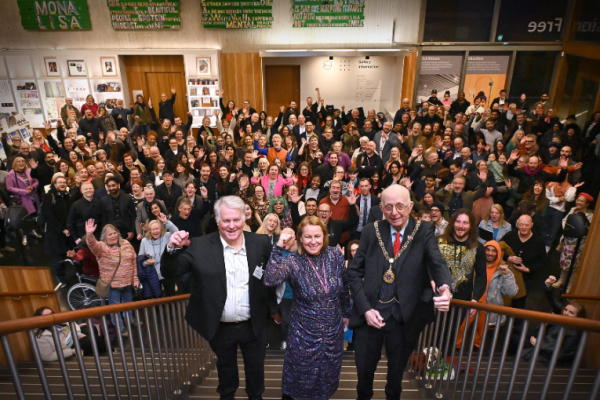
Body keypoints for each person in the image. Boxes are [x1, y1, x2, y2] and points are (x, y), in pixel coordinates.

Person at [160, 196, 273, 400]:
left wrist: (273, 312)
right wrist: (171, 249)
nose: (232, 226)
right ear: (217, 220)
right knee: (226, 375)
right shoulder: (200, 245)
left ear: (244, 218)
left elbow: (271, 278)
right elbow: (171, 271)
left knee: (256, 373)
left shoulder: (261, 243)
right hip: (220, 327)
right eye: (226, 220)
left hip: (254, 325)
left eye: (236, 220)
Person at [348, 184, 452, 400]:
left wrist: (444, 286)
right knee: (364, 376)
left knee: (396, 378)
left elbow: (436, 261)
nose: (394, 213)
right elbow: (354, 273)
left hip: (404, 318)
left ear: (411, 206)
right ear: (381, 207)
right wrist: (366, 309)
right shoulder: (370, 231)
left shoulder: (424, 230)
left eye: (400, 206)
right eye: (388, 207)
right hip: (371, 316)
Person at [264, 216, 350, 400]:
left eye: (317, 236)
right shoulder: (294, 260)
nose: (313, 241)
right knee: (300, 379)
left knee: (325, 380)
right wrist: (278, 246)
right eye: (308, 237)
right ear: (300, 239)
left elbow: (344, 287)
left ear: (325, 237)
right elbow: (270, 279)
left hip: (332, 333)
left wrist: (347, 314)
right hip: (303, 333)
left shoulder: (335, 255)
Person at [456, 240, 518, 349]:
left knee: (481, 335)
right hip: (471, 302)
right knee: (460, 327)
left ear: (498, 253)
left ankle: (475, 354)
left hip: (488, 307)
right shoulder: (473, 264)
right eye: (487, 250)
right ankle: (454, 349)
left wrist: (507, 274)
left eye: (494, 251)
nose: (490, 253)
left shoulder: (502, 269)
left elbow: (511, 292)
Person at [85, 219, 139, 334]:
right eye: (110, 234)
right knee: (115, 308)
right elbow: (93, 245)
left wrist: (135, 278)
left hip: (128, 282)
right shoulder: (102, 247)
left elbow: (134, 260)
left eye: (115, 233)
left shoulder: (126, 243)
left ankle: (129, 319)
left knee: (128, 304)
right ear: (105, 236)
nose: (113, 236)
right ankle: (120, 326)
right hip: (112, 285)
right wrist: (89, 235)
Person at [438, 209, 487, 303]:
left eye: (465, 223)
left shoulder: (477, 248)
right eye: (458, 222)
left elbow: (481, 276)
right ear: (453, 223)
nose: (461, 226)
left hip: (462, 302)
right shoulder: (439, 242)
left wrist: (475, 298)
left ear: (471, 226)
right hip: (437, 298)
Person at [502, 214, 546, 309]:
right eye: (521, 224)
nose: (524, 227)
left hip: (526, 279)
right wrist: (509, 258)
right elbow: (498, 251)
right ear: (517, 224)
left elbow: (542, 262)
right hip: (508, 274)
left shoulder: (538, 242)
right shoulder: (510, 236)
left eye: (527, 225)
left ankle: (516, 322)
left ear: (532, 225)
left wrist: (528, 269)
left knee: (519, 303)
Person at [554, 193, 594, 292]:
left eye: (582, 201)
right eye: (578, 200)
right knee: (564, 262)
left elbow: (588, 230)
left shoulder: (590, 216)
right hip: (567, 241)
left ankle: (569, 286)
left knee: (575, 265)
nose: (579, 202)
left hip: (579, 244)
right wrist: (569, 227)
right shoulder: (572, 210)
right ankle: (561, 280)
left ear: (587, 204)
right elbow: (564, 221)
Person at [41, 174, 74, 286]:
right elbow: (48, 216)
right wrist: (62, 229)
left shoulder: (68, 195)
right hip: (55, 233)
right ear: (54, 184)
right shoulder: (49, 196)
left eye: (64, 182)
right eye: (59, 182)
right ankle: (60, 278)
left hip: (68, 231)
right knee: (58, 257)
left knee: (70, 253)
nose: (62, 184)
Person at [137, 214, 178, 299]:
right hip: (153, 276)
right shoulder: (144, 241)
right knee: (156, 300)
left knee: (171, 298)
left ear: (161, 229)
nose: (155, 231)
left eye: (157, 229)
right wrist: (145, 263)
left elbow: (176, 232)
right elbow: (140, 259)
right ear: (149, 231)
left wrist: (166, 222)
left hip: (167, 274)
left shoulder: (166, 236)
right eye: (153, 229)